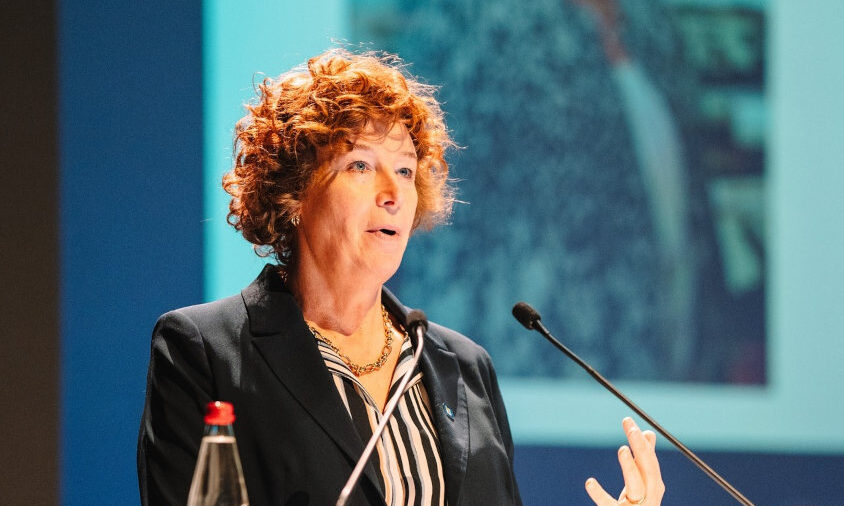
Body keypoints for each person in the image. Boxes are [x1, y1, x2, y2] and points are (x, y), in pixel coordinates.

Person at [137, 49, 664, 506]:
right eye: (361, 166)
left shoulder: (462, 366)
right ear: (293, 193)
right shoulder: (204, 351)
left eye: (407, 170)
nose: (393, 193)